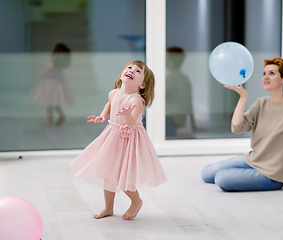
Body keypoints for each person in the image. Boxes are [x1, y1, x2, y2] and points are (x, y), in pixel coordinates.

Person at [201, 57, 283, 192]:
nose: (266, 77)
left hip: (272, 175)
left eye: (272, 73)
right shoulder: (261, 104)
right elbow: (237, 128)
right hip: (253, 160)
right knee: (206, 173)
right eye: (264, 73)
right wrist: (243, 97)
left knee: (221, 179)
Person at [70, 60, 167, 220]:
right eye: (129, 68)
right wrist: (102, 116)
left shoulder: (136, 100)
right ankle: (108, 207)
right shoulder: (113, 93)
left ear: (142, 85)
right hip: (112, 134)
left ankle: (136, 201)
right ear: (122, 74)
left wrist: (128, 115)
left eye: (138, 71)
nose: (132, 71)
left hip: (129, 139)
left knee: (122, 176)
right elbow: (110, 104)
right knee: (107, 172)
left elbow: (131, 120)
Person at [29, 43, 73, 126]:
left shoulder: (54, 59)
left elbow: (50, 69)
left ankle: (50, 121)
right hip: (55, 83)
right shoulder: (59, 61)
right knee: (53, 103)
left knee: (49, 103)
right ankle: (60, 116)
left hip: (50, 83)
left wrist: (42, 73)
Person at [165, 46, 196, 139]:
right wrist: (194, 126)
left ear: (171, 62)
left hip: (172, 120)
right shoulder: (184, 79)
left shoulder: (171, 79)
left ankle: (177, 131)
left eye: (165, 58)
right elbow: (189, 104)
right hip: (181, 119)